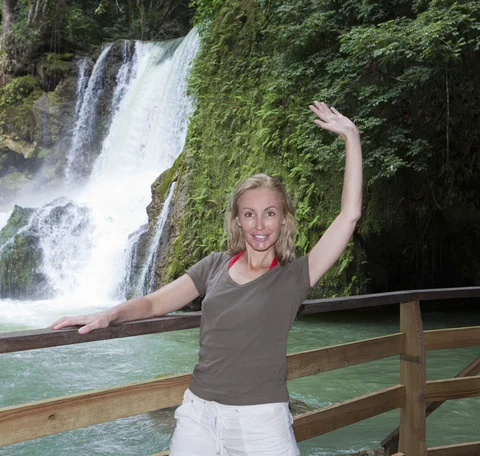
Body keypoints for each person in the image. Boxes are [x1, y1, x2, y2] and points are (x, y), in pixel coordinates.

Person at [50, 101, 362, 455]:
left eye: (269, 213)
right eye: (249, 214)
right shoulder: (214, 266)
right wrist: (108, 315)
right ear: (237, 221)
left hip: (261, 419)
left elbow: (349, 216)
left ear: (284, 220)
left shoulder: (294, 276)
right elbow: (155, 302)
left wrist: (351, 137)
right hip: (199, 414)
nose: (259, 225)